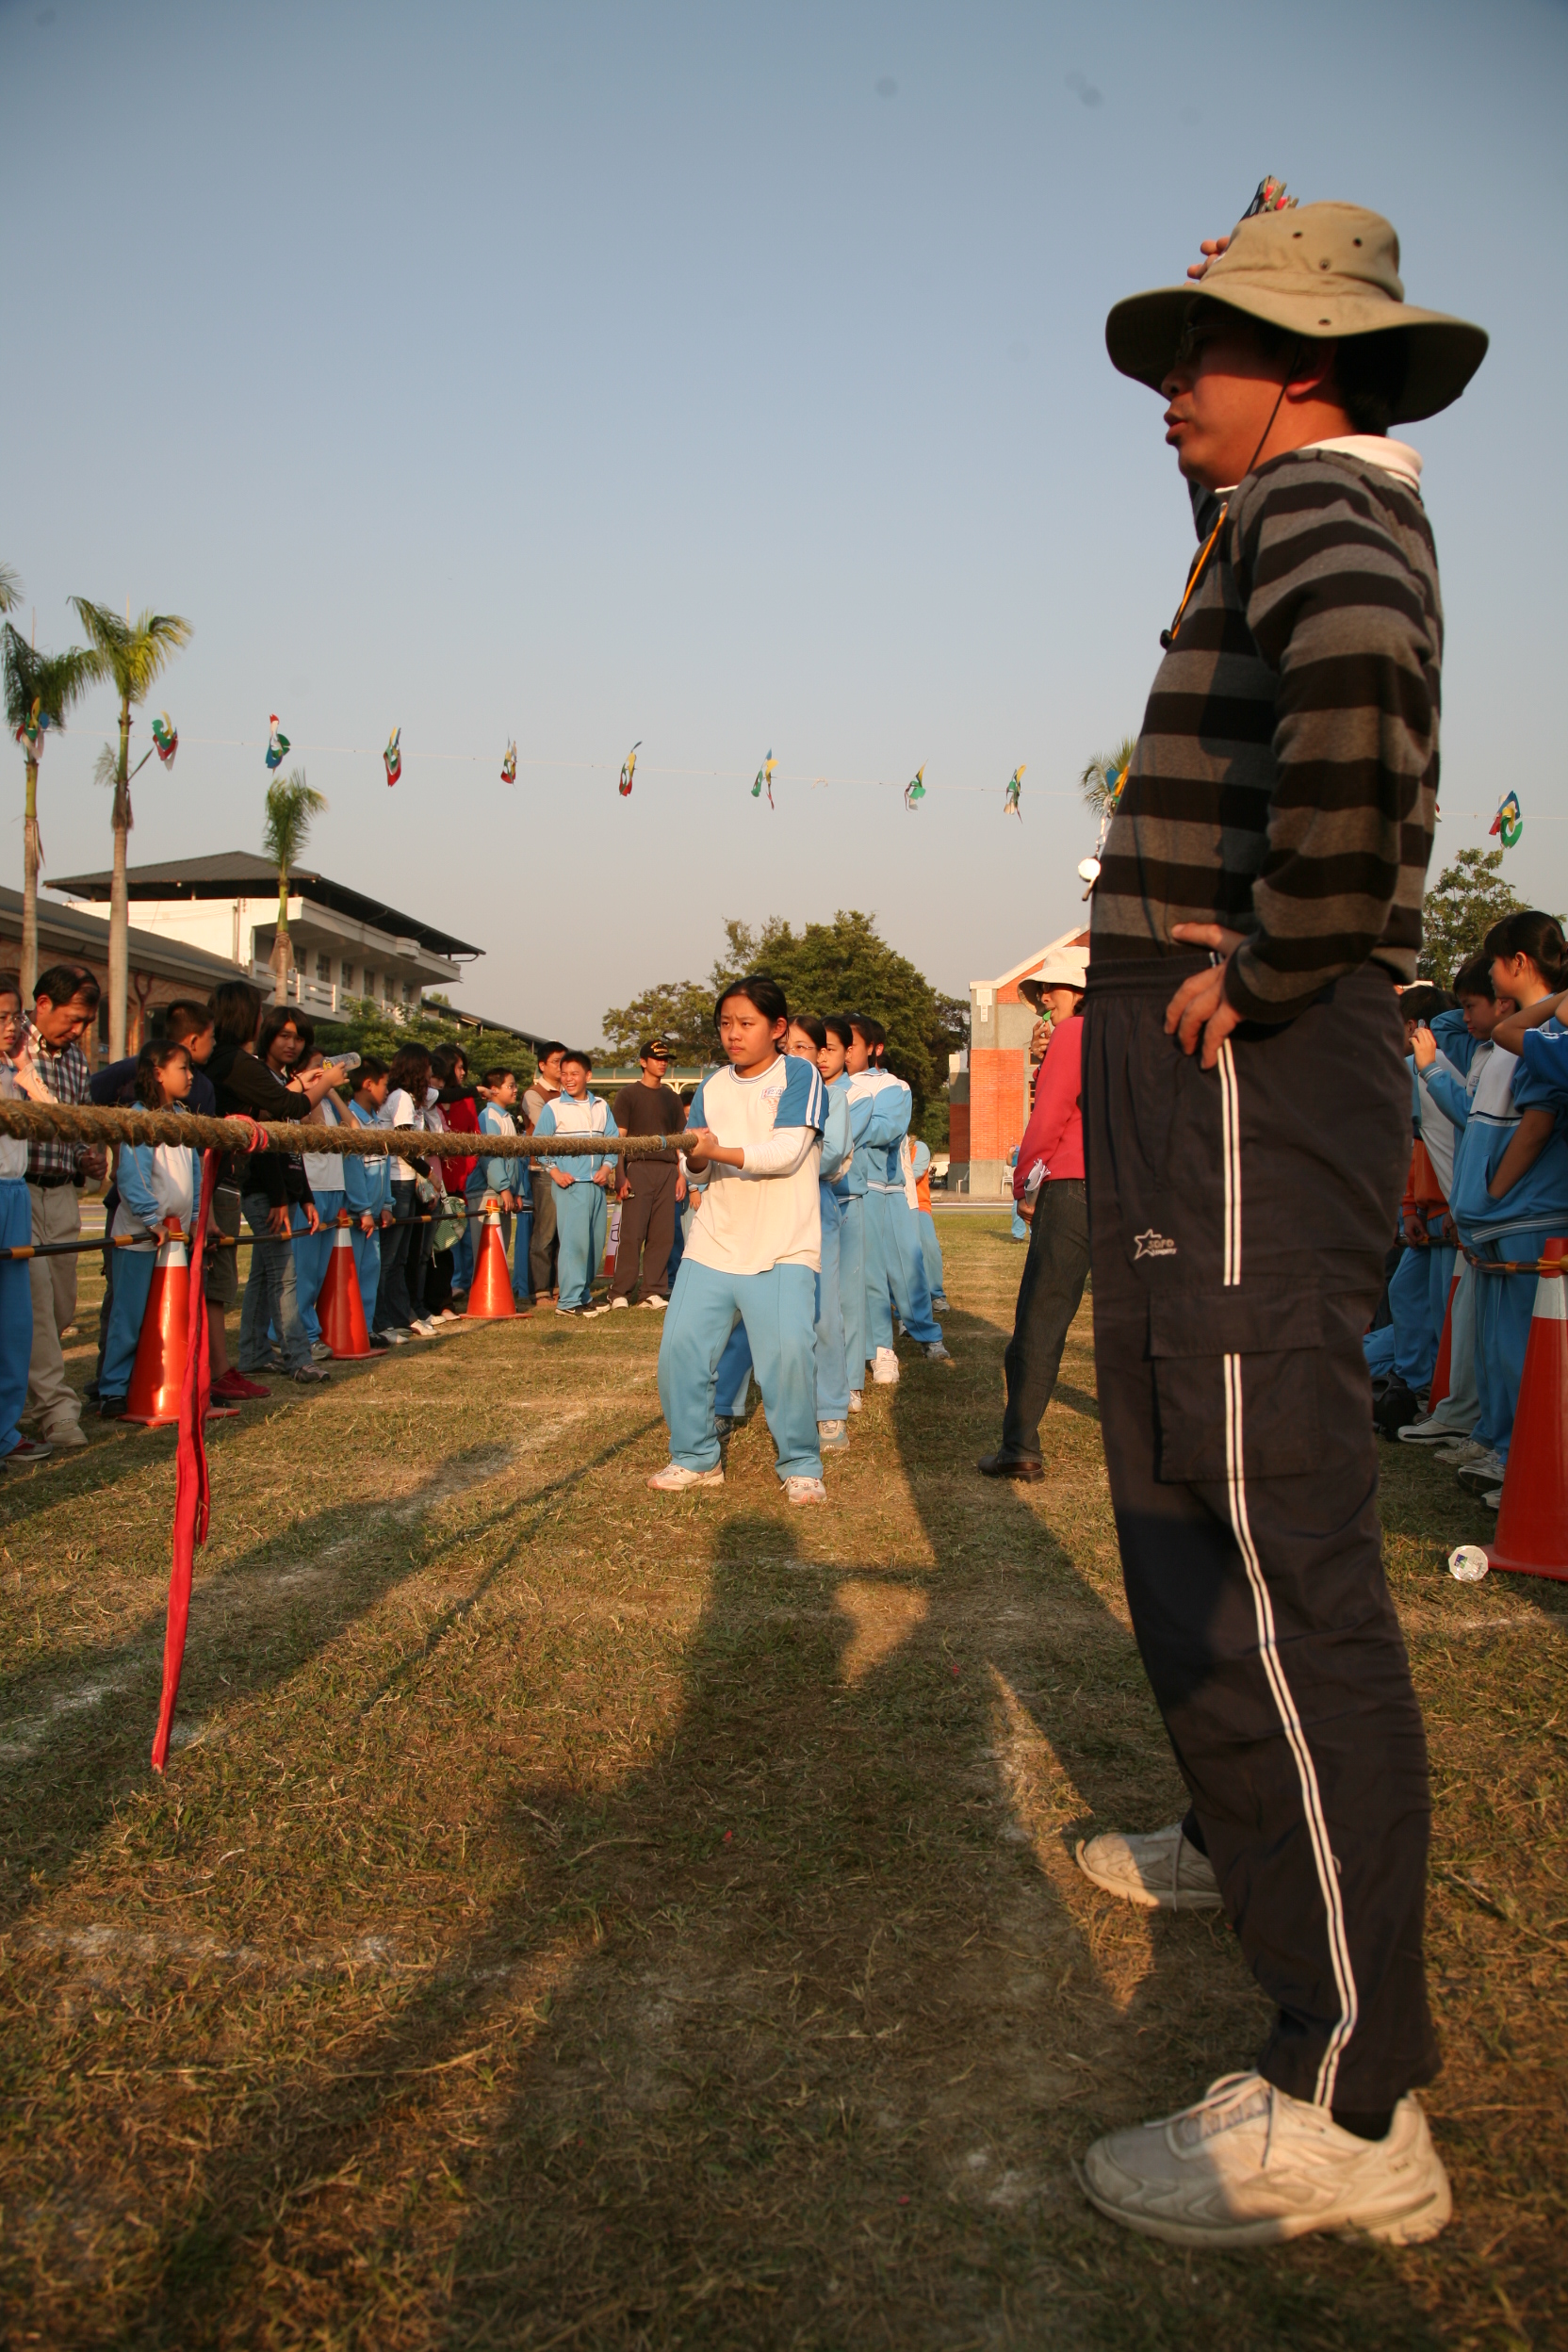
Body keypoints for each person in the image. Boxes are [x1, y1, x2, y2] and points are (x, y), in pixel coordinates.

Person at [1075, 196, 1487, 2244]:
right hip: (1203, 1062)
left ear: (1306, 365)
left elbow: (1359, 690)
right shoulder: (1271, 504)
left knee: (1266, 1528)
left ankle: (1348, 2102)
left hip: (1245, 1052)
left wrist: (1278, 955)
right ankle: (1249, 1835)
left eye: (1201, 347)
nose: (1166, 387)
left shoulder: (1322, 501)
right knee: (1185, 1481)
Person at [648, 975, 828, 1502]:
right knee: (680, 1351)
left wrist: (715, 1150)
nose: (733, 1034)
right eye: (726, 1023)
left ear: (777, 1028)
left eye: (746, 1023)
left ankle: (800, 1463)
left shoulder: (799, 1074)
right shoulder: (711, 1087)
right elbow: (699, 1172)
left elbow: (786, 1153)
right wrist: (696, 1157)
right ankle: (695, 1457)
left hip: (783, 1245)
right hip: (714, 1242)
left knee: (787, 1358)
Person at [1446, 911, 1568, 1495]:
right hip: (1502, 1215)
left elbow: (1536, 1126)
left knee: (1521, 1348)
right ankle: (1499, 1443)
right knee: (1497, 1345)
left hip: (1526, 1213)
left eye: (1494, 961)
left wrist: (1492, 1197)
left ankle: (1523, 1459)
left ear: (1519, 962)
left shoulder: (1544, 1039)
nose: (1490, 973)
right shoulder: (1517, 1037)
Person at [978, 951, 1088, 1480]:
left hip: (1074, 1187)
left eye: (1053, 988)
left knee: (1041, 1320)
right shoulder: (1136, 1032)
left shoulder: (1074, 1035)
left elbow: (1050, 1117)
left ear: (1081, 992)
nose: (1044, 998)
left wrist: (1025, 1182)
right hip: (1134, 1188)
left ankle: (1020, 1447)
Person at [1396, 959, 1505, 1462]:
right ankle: (1454, 1409)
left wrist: (1468, 1204)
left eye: (1472, 1005)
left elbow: (1470, 1124)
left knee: (1483, 1329)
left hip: (1475, 1212)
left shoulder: (1443, 1061)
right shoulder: (1480, 1051)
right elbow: (1420, 1148)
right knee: (1452, 1315)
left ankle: (1485, 1430)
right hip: (1454, 1210)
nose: (1463, 1018)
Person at [209, 980, 332, 1388]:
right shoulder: (244, 1068)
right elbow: (269, 1137)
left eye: (299, 1038)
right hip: (257, 1186)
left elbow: (287, 1147)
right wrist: (327, 1083)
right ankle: (299, 1358)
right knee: (284, 1274)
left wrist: (303, 1195)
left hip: (276, 1186)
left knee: (265, 1274)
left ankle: (254, 1353)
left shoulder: (266, 1077)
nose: (292, 1044)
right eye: (283, 1035)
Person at [97, 1043, 219, 1417]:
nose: (191, 1076)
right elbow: (131, 1176)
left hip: (176, 1237)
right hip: (142, 1236)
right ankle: (113, 1389)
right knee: (129, 1315)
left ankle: (180, 1383)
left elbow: (195, 1171)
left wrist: (195, 1216)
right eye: (183, 1068)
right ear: (157, 1073)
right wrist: (151, 1219)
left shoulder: (182, 1117)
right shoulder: (139, 1118)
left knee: (175, 1315)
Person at [22, 965, 108, 1449]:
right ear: (43, 1004)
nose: (78, 1030)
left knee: (60, 1305)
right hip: (18, 1189)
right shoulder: (12, 1049)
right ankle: (57, 1411)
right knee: (36, 1301)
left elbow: (74, 1125)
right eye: (73, 1019)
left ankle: (23, 1396)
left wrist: (85, 1156)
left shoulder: (76, 1060)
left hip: (61, 1193)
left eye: (86, 1023)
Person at [847, 1015, 951, 1380]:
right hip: (842, 1189)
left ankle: (927, 1334)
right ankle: (872, 1347)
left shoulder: (892, 1086)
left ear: (874, 1049)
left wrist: (837, 1127)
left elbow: (886, 1129)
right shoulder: (829, 1085)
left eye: (850, 1045)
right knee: (863, 1273)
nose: (842, 1052)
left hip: (888, 1190)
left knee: (906, 1269)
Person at [0, 979, 49, 1467]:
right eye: (1, 1018)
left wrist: (24, 1070)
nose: (11, 1026)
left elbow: (55, 1120)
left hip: (14, 1194)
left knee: (14, 1321)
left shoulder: (16, 1073)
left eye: (16, 1017)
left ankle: (5, 1431)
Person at [533, 1051, 617, 1315]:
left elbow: (613, 1142)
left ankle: (582, 1295)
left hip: (596, 1186)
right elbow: (538, 1145)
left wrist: (606, 1167)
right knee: (574, 1244)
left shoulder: (601, 1106)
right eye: (564, 1074)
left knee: (593, 1244)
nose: (568, 1079)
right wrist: (555, 1172)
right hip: (570, 1187)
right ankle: (568, 1302)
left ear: (588, 1076)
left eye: (574, 1073)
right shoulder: (553, 1107)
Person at [609, 1038, 687, 1309]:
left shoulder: (672, 1098)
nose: (663, 1063)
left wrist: (681, 1175)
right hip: (638, 1166)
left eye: (666, 1059)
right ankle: (620, 1291)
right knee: (632, 1233)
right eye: (657, 1058)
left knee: (662, 1235)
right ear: (643, 1062)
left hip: (667, 1169)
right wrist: (620, 1174)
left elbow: (678, 1140)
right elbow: (619, 1140)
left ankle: (652, 1290)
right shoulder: (627, 1095)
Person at [376, 1046, 436, 1339]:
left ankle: (401, 1316)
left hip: (406, 1180)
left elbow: (441, 1094)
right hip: (397, 1181)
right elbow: (404, 1144)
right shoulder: (400, 1098)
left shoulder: (411, 1098)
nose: (431, 1072)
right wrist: (429, 1173)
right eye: (427, 1066)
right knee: (390, 1257)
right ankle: (384, 1320)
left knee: (401, 1257)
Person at [344, 1059, 394, 1348]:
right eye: (384, 1084)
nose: (387, 1091)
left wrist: (386, 1203)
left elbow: (384, 1166)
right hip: (356, 1217)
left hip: (373, 1216)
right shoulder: (350, 1119)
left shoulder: (377, 1122)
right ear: (367, 1084)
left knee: (369, 1272)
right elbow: (352, 1170)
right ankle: (348, 1328)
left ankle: (364, 1326)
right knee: (350, 1274)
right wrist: (362, 1209)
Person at [473, 1067, 530, 1305]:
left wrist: (518, 1192)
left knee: (501, 1245)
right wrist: (504, 1188)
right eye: (510, 1086)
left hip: (505, 1191)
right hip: (489, 1191)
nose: (515, 1090)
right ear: (493, 1090)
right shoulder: (488, 1116)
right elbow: (490, 1156)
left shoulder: (507, 1117)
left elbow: (515, 1160)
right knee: (486, 1247)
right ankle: (482, 1297)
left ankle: (496, 1294)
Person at [431, 1045, 481, 1296]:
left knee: (460, 1235)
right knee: (435, 1241)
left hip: (460, 1182)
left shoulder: (467, 1100)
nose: (463, 1073)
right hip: (433, 1183)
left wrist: (466, 1168)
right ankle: (442, 1291)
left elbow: (475, 1138)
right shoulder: (428, 1100)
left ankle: (462, 1283)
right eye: (459, 1068)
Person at [523, 1042, 566, 1302]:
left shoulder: (570, 1092)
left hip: (569, 1169)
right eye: (556, 1062)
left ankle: (562, 1287)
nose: (562, 1067)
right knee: (546, 1232)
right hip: (544, 1169)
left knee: (565, 1231)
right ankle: (540, 1291)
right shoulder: (534, 1094)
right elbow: (545, 1127)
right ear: (542, 1065)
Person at [909, 1136, 947, 1311]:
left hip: (918, 1206)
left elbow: (914, 1174)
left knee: (930, 1245)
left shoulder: (919, 1148)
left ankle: (935, 1295)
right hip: (891, 1205)